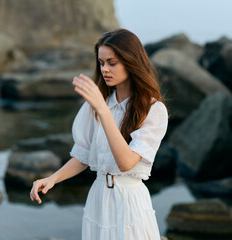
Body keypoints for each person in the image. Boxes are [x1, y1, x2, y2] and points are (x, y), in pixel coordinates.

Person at [30, 28, 168, 240]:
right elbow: (84, 155)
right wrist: (52, 178)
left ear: (131, 63)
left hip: (129, 200)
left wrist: (104, 112)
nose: (105, 69)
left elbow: (126, 163)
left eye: (112, 63)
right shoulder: (96, 105)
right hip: (98, 198)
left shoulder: (153, 110)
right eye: (101, 63)